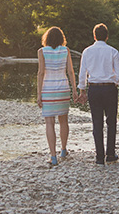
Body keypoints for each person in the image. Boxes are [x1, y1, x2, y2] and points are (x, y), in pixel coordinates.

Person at [77, 23, 119, 165]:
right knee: (111, 122)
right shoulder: (113, 51)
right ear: (107, 37)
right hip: (109, 88)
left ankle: (99, 157)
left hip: (94, 89)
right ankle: (110, 154)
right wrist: (115, 83)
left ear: (94, 36)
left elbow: (82, 73)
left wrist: (82, 90)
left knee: (97, 122)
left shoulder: (87, 51)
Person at [37, 26, 78, 166]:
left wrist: (38, 94)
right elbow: (71, 72)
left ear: (46, 38)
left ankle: (53, 156)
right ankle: (64, 150)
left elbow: (41, 73)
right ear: (62, 39)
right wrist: (74, 90)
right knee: (63, 121)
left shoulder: (42, 51)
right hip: (63, 88)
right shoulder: (65, 50)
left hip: (48, 89)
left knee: (49, 122)